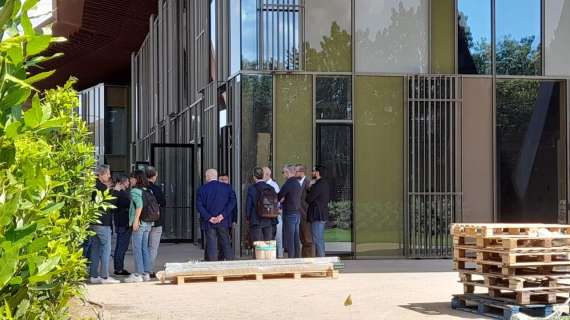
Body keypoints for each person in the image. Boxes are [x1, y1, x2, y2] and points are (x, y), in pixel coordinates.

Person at [89, 165, 120, 284]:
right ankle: (104, 276)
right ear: (101, 175)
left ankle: (93, 275)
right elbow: (109, 203)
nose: (109, 176)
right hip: (103, 222)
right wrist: (116, 191)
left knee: (95, 249)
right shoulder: (101, 187)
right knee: (106, 249)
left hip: (94, 221)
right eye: (107, 174)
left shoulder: (93, 186)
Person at [197, 169, 236, 261]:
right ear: (216, 176)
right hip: (223, 220)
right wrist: (222, 215)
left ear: (208, 177)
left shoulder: (202, 189)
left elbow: (199, 205)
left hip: (209, 222)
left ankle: (213, 265)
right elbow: (232, 202)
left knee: (211, 244)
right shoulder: (227, 188)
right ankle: (231, 264)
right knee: (226, 242)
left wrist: (209, 217)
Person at [124, 170, 154, 283]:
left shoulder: (135, 191)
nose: (130, 180)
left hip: (140, 223)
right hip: (148, 223)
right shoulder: (147, 190)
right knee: (144, 248)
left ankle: (138, 274)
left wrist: (135, 220)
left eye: (132, 178)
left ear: (136, 179)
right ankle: (146, 273)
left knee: (137, 248)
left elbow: (139, 206)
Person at [246, 168, 277, 247]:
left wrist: (248, 217)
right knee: (268, 245)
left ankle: (258, 259)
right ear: (263, 176)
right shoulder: (271, 188)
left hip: (256, 220)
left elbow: (249, 205)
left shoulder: (252, 189)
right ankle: (268, 259)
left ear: (254, 177)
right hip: (269, 219)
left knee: (258, 245)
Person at [278, 164, 302, 258]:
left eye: (283, 172)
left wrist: (282, 199)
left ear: (288, 172)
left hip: (289, 213)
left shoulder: (288, 183)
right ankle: (297, 257)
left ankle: (291, 258)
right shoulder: (297, 183)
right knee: (296, 237)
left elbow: (279, 196)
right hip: (297, 213)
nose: (283, 174)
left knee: (290, 238)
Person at [306, 165, 331, 257]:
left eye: (314, 171)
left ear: (318, 173)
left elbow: (309, 199)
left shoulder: (318, 184)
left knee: (317, 239)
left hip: (317, 215)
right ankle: (322, 258)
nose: (312, 173)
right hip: (321, 214)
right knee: (319, 238)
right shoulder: (324, 183)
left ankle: (321, 260)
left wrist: (310, 186)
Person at [146, 167, 166, 278]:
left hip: (143, 221)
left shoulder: (141, 188)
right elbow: (163, 202)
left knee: (143, 246)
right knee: (153, 247)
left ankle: (142, 269)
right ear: (154, 176)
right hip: (156, 221)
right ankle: (149, 270)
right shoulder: (157, 189)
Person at [112, 175, 132, 276]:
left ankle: (118, 267)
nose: (128, 184)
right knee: (122, 247)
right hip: (123, 223)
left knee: (120, 246)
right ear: (123, 182)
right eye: (127, 182)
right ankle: (119, 268)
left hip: (120, 223)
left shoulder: (118, 194)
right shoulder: (121, 194)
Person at [263, 167, 283, 258]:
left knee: (276, 237)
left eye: (262, 174)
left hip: (274, 215)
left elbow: (278, 200)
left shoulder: (273, 185)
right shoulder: (266, 184)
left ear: (267, 174)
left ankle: (279, 255)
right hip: (268, 215)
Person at [296, 164, 314, 257]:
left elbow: (310, 200)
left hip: (305, 214)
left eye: (296, 171)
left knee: (308, 239)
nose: (295, 174)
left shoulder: (308, 183)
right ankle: (304, 258)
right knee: (302, 238)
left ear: (301, 172)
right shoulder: (297, 183)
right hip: (299, 214)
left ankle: (309, 259)